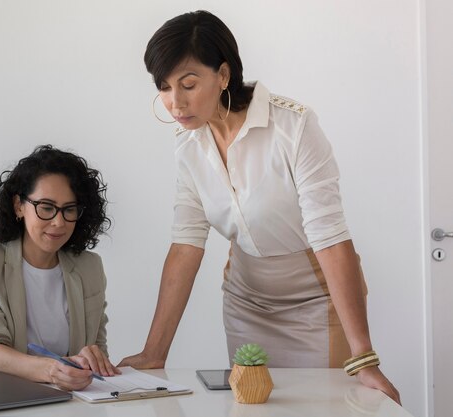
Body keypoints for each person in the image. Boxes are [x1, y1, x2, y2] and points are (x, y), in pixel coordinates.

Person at [118, 10, 400, 404]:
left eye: (188, 84)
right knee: (255, 407)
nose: (174, 102)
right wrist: (154, 353)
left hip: (317, 302)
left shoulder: (293, 127)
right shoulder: (189, 145)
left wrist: (364, 358)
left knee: (331, 408)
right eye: (164, 87)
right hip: (246, 304)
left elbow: (331, 238)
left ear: (223, 75)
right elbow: (185, 246)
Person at [0, 145, 119, 391]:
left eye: (69, 209)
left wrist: (93, 358)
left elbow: (98, 348)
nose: (58, 222)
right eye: (46, 207)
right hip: (12, 399)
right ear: (19, 206)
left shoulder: (90, 267)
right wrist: (52, 371)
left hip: (78, 403)